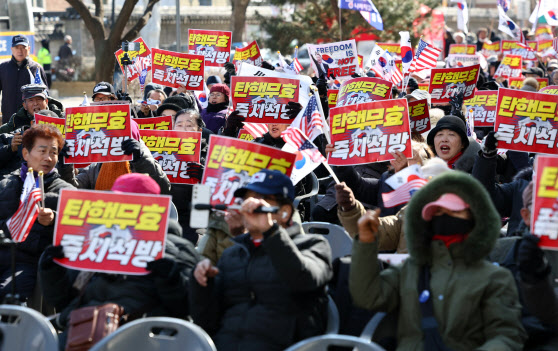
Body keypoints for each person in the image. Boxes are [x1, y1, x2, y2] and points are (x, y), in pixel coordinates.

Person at [350, 171, 526, 350]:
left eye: (453, 211)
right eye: (438, 212)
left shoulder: (495, 278)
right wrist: (365, 244)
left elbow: (506, 337)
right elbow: (368, 296)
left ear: (475, 218)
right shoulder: (409, 269)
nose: (444, 217)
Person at [38, 173, 201, 350]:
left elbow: (186, 307)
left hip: (147, 337)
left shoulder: (178, 247)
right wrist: (51, 269)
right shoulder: (93, 240)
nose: (123, 208)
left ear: (153, 207)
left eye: (132, 202)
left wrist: (170, 279)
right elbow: (62, 301)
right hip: (85, 334)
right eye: (119, 201)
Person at [190, 169, 333, 351]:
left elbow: (305, 279)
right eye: (246, 200)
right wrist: (202, 284)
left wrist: (270, 232)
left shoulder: (313, 245)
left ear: (284, 212)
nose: (249, 206)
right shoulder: (233, 255)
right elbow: (207, 320)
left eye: (259, 200)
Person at [0, 124, 75, 301]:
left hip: (28, 263)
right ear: (26, 154)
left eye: (53, 152)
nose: (48, 158)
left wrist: (54, 220)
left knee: (8, 296)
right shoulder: (5, 183)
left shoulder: (66, 192)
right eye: (42, 151)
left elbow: (79, 232)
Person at [58, 120, 171, 195]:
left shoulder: (144, 160)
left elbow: (163, 189)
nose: (117, 142)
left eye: (123, 137)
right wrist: (65, 165)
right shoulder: (97, 166)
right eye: (113, 137)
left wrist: (141, 159)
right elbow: (73, 189)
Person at [0, 34, 48, 124]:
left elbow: (45, 95)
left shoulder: (36, 68)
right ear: (11, 49)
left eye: (23, 47)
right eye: (17, 47)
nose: (20, 51)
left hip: (31, 122)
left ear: (29, 49)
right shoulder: (3, 68)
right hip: (9, 121)